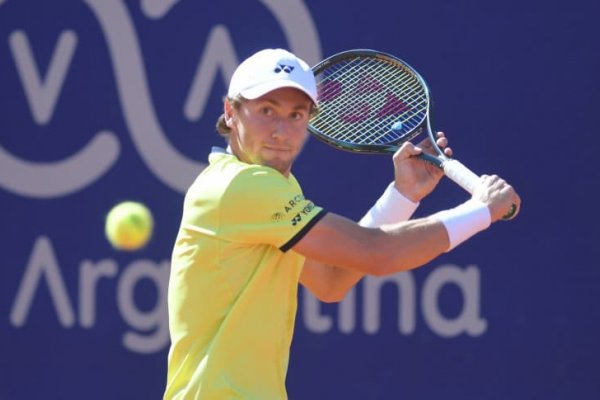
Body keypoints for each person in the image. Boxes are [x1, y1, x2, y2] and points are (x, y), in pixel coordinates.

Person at [163, 48, 520, 399]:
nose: (281, 131)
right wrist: (482, 211)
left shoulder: (271, 188)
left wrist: (404, 194)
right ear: (231, 112)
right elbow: (379, 253)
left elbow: (331, 280)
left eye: (296, 115)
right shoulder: (241, 186)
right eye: (266, 111)